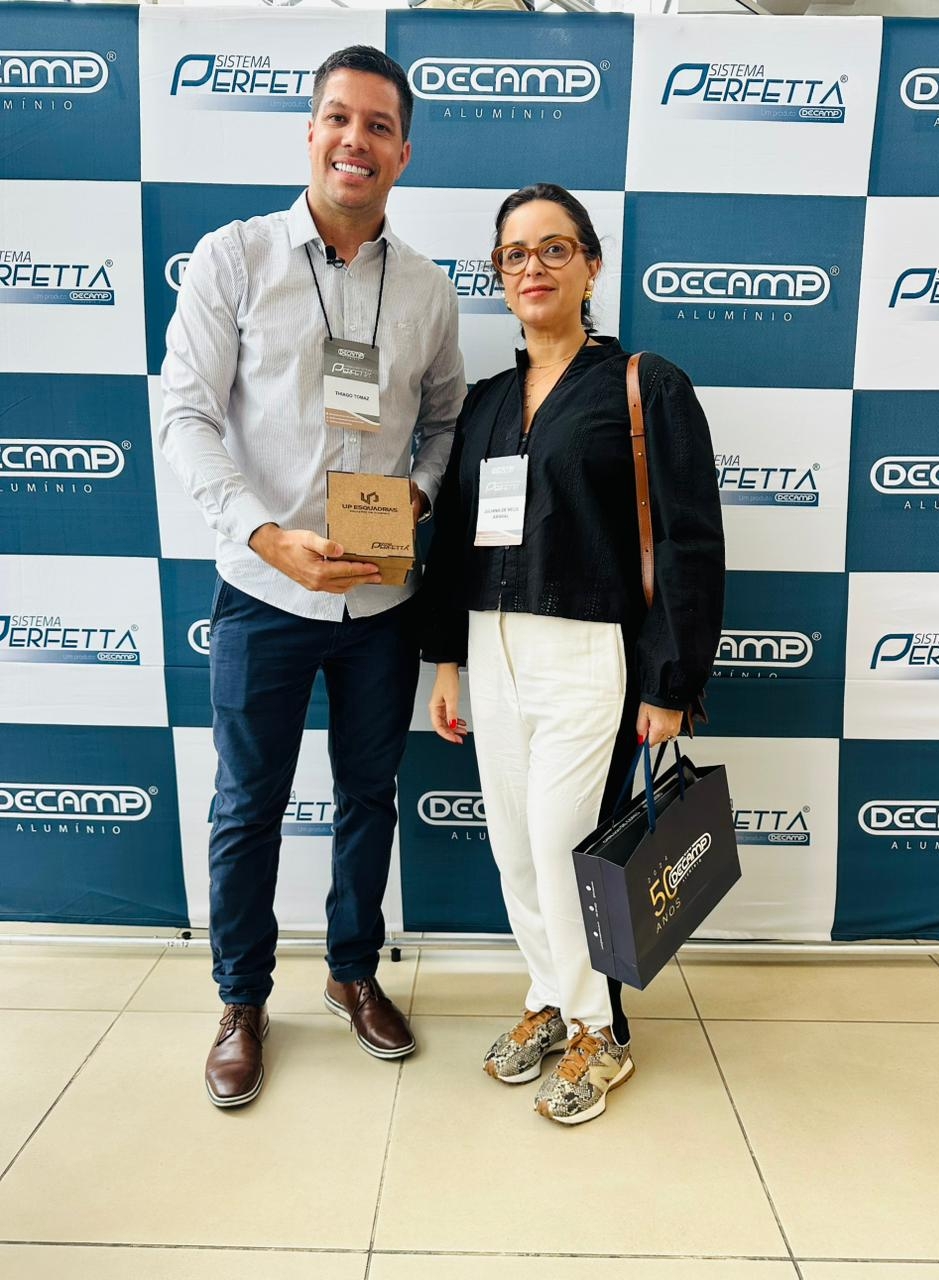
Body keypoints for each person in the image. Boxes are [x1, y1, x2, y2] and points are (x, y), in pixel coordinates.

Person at [160, 46, 465, 1108]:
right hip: (265, 595)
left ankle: (351, 972)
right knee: (248, 804)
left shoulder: (427, 289)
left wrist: (419, 493)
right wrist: (262, 535)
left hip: (381, 603)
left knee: (370, 797)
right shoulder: (234, 257)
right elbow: (185, 414)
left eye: (379, 125)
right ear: (310, 132)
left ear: (403, 153)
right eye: (339, 117)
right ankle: (242, 999)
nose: (355, 140)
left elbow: (445, 421)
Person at [421, 184, 724, 1126]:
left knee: (562, 848)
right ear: (499, 275)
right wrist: (448, 661)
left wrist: (671, 682)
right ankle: (550, 999)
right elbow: (455, 541)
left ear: (592, 266)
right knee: (514, 850)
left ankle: (603, 1030)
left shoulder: (644, 384)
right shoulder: (484, 403)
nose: (534, 268)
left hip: (587, 652)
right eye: (515, 254)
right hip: (490, 645)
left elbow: (689, 542)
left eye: (555, 249)